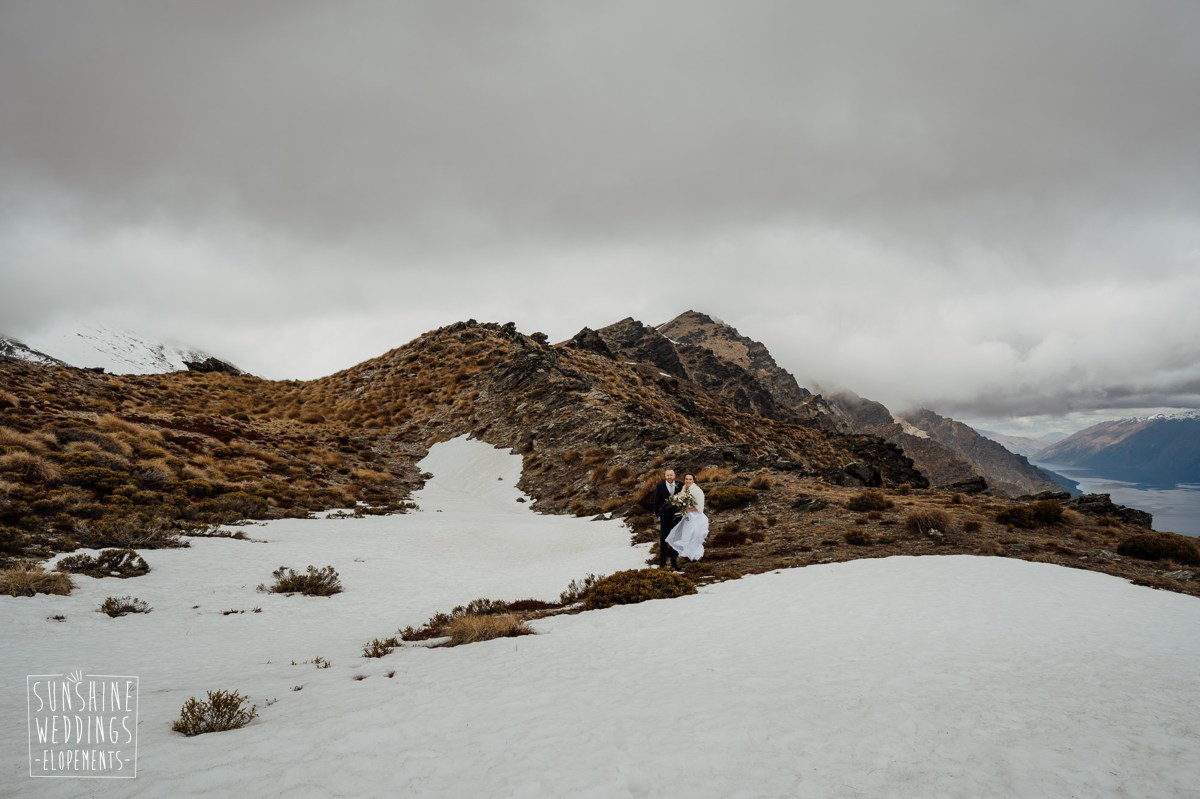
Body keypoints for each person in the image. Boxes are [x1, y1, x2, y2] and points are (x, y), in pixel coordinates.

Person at [665, 474, 709, 563]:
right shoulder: (684, 489)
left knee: (694, 537)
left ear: (693, 480)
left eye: (690, 479)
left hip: (696, 517)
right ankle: (690, 558)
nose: (688, 481)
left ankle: (696, 558)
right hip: (688, 517)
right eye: (686, 479)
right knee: (686, 536)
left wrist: (687, 509)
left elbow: (700, 507)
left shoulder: (697, 490)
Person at [651, 468, 682, 569]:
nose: (669, 477)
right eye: (667, 475)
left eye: (671, 475)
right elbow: (656, 502)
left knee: (675, 539)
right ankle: (662, 564)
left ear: (674, 475)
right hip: (665, 517)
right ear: (665, 476)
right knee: (663, 540)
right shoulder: (660, 487)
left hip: (677, 517)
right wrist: (658, 515)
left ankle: (674, 563)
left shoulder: (680, 485)